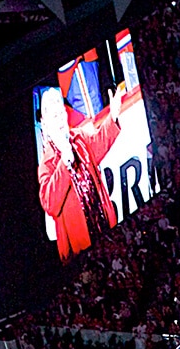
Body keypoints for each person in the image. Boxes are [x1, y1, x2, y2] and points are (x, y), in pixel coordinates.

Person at [37, 83, 125, 262]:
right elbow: (50, 204)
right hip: (81, 246)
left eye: (61, 113)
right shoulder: (47, 163)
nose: (60, 119)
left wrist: (113, 116)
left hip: (104, 226)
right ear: (45, 124)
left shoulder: (79, 137)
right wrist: (65, 161)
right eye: (54, 116)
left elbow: (100, 143)